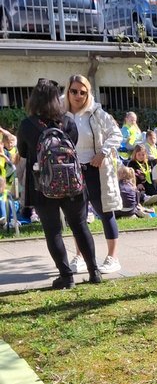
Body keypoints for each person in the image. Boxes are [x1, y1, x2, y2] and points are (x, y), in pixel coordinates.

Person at [16, 78, 101, 288]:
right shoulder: (67, 122)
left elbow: (23, 152)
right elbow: (73, 144)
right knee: (80, 226)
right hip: (72, 183)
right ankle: (94, 272)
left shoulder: (27, 125)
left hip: (42, 185)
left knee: (53, 230)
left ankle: (66, 276)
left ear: (34, 99)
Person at [64, 74, 123, 276]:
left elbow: (116, 134)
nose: (78, 96)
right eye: (74, 91)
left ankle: (113, 257)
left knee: (105, 212)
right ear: (67, 91)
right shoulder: (62, 114)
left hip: (95, 169)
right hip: (72, 170)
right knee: (77, 216)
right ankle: (80, 256)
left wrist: (103, 152)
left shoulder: (97, 113)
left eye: (83, 92)